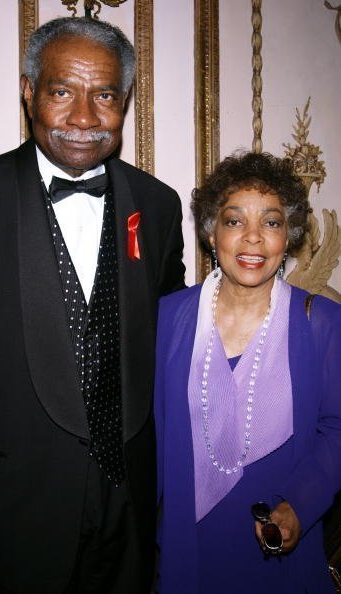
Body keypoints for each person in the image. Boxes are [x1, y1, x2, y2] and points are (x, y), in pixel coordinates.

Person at [0, 16, 185, 594]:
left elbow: (175, 347)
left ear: (125, 101)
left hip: (131, 510)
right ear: (30, 90)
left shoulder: (157, 207)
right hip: (12, 512)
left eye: (104, 95)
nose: (84, 117)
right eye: (62, 92)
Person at [154, 151, 341, 594]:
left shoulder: (323, 324)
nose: (253, 238)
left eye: (272, 222)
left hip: (279, 549)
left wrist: (300, 504)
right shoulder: (167, 319)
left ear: (289, 235)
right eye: (235, 221)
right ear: (211, 232)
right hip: (188, 548)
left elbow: (337, 429)